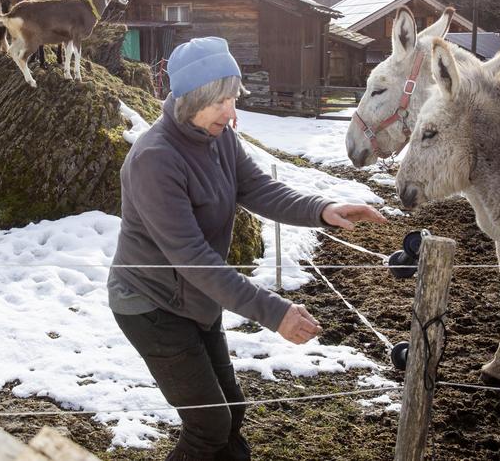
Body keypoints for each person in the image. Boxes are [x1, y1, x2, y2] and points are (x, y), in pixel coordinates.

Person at [108, 37, 387, 461]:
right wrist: (276, 313)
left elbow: (257, 187)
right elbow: (194, 259)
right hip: (151, 304)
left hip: (196, 299)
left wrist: (323, 208)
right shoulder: (155, 159)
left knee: (231, 411)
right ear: (192, 98)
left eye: (233, 98)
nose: (231, 111)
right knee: (209, 424)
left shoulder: (217, 136)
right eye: (221, 101)